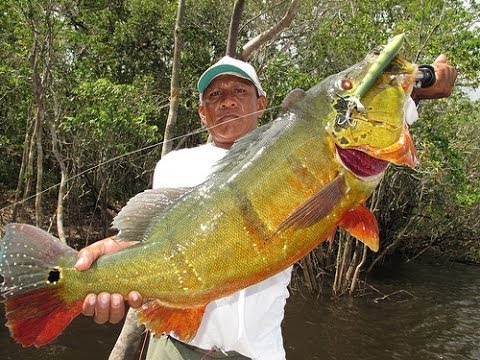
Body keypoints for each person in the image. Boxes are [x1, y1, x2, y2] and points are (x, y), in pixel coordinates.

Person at [75, 54, 457, 359]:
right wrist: (104, 268)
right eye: (214, 95)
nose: (226, 101)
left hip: (259, 353)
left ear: (261, 103)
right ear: (201, 114)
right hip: (175, 348)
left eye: (239, 91)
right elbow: (165, 244)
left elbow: (380, 106)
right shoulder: (175, 164)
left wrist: (422, 81)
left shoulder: (306, 139)